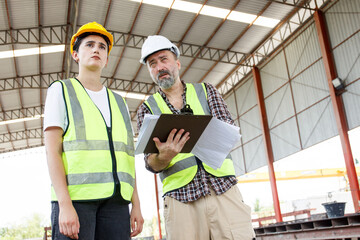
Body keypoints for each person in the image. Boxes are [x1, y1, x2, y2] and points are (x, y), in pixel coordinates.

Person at [137, 35, 255, 240]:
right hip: (181, 200)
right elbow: (150, 164)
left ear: (177, 62)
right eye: (152, 64)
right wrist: (163, 156)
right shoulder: (147, 109)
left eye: (164, 59)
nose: (159, 67)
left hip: (222, 189)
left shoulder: (206, 91)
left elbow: (228, 131)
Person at [44, 22, 143, 240]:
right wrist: (64, 204)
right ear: (76, 54)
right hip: (76, 202)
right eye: (89, 45)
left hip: (117, 203)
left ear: (107, 59)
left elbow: (127, 157)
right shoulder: (61, 90)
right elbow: (52, 151)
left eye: (102, 47)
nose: (96, 49)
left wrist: (136, 204)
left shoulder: (120, 103)